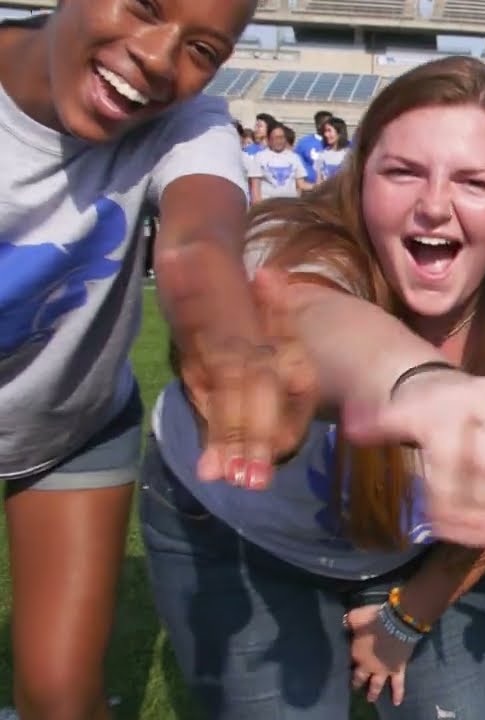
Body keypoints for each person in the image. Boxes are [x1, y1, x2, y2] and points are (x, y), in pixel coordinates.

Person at [144, 56, 485, 719]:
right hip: (237, 536)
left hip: (413, 560)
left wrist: (407, 619)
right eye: (402, 172)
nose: (433, 205)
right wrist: (416, 385)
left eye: (475, 182)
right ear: (360, 176)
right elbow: (312, 311)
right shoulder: (290, 245)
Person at [0, 1, 314, 717]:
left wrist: (230, 346)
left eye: (202, 49)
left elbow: (198, 243)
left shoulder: (189, 123)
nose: (158, 56)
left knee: (61, 697)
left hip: (71, 426)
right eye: (144, 5)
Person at [248, 122, 310, 202]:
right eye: (275, 138)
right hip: (268, 205)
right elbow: (255, 188)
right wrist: (258, 206)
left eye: (281, 137)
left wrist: (318, 186)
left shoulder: (294, 157)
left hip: (290, 204)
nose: (279, 141)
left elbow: (301, 184)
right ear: (268, 139)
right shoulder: (260, 157)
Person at [294, 109, 333, 184]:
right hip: (311, 187)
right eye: (328, 123)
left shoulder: (339, 143)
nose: (331, 126)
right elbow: (296, 165)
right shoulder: (304, 143)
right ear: (318, 125)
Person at [316, 116, 351, 182]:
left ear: (339, 132)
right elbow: (318, 181)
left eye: (329, 131)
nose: (326, 134)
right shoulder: (322, 154)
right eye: (325, 131)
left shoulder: (349, 154)